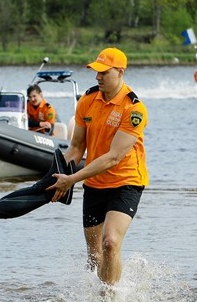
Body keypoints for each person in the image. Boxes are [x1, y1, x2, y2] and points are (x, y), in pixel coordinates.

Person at [48, 47, 148, 287]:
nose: (98, 76)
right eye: (96, 71)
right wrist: (54, 176)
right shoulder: (87, 100)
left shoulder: (134, 109)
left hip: (126, 182)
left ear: (120, 72)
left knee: (110, 243)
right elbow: (75, 149)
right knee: (94, 256)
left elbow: (113, 157)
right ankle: (92, 300)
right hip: (95, 183)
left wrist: (73, 180)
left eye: (104, 72)